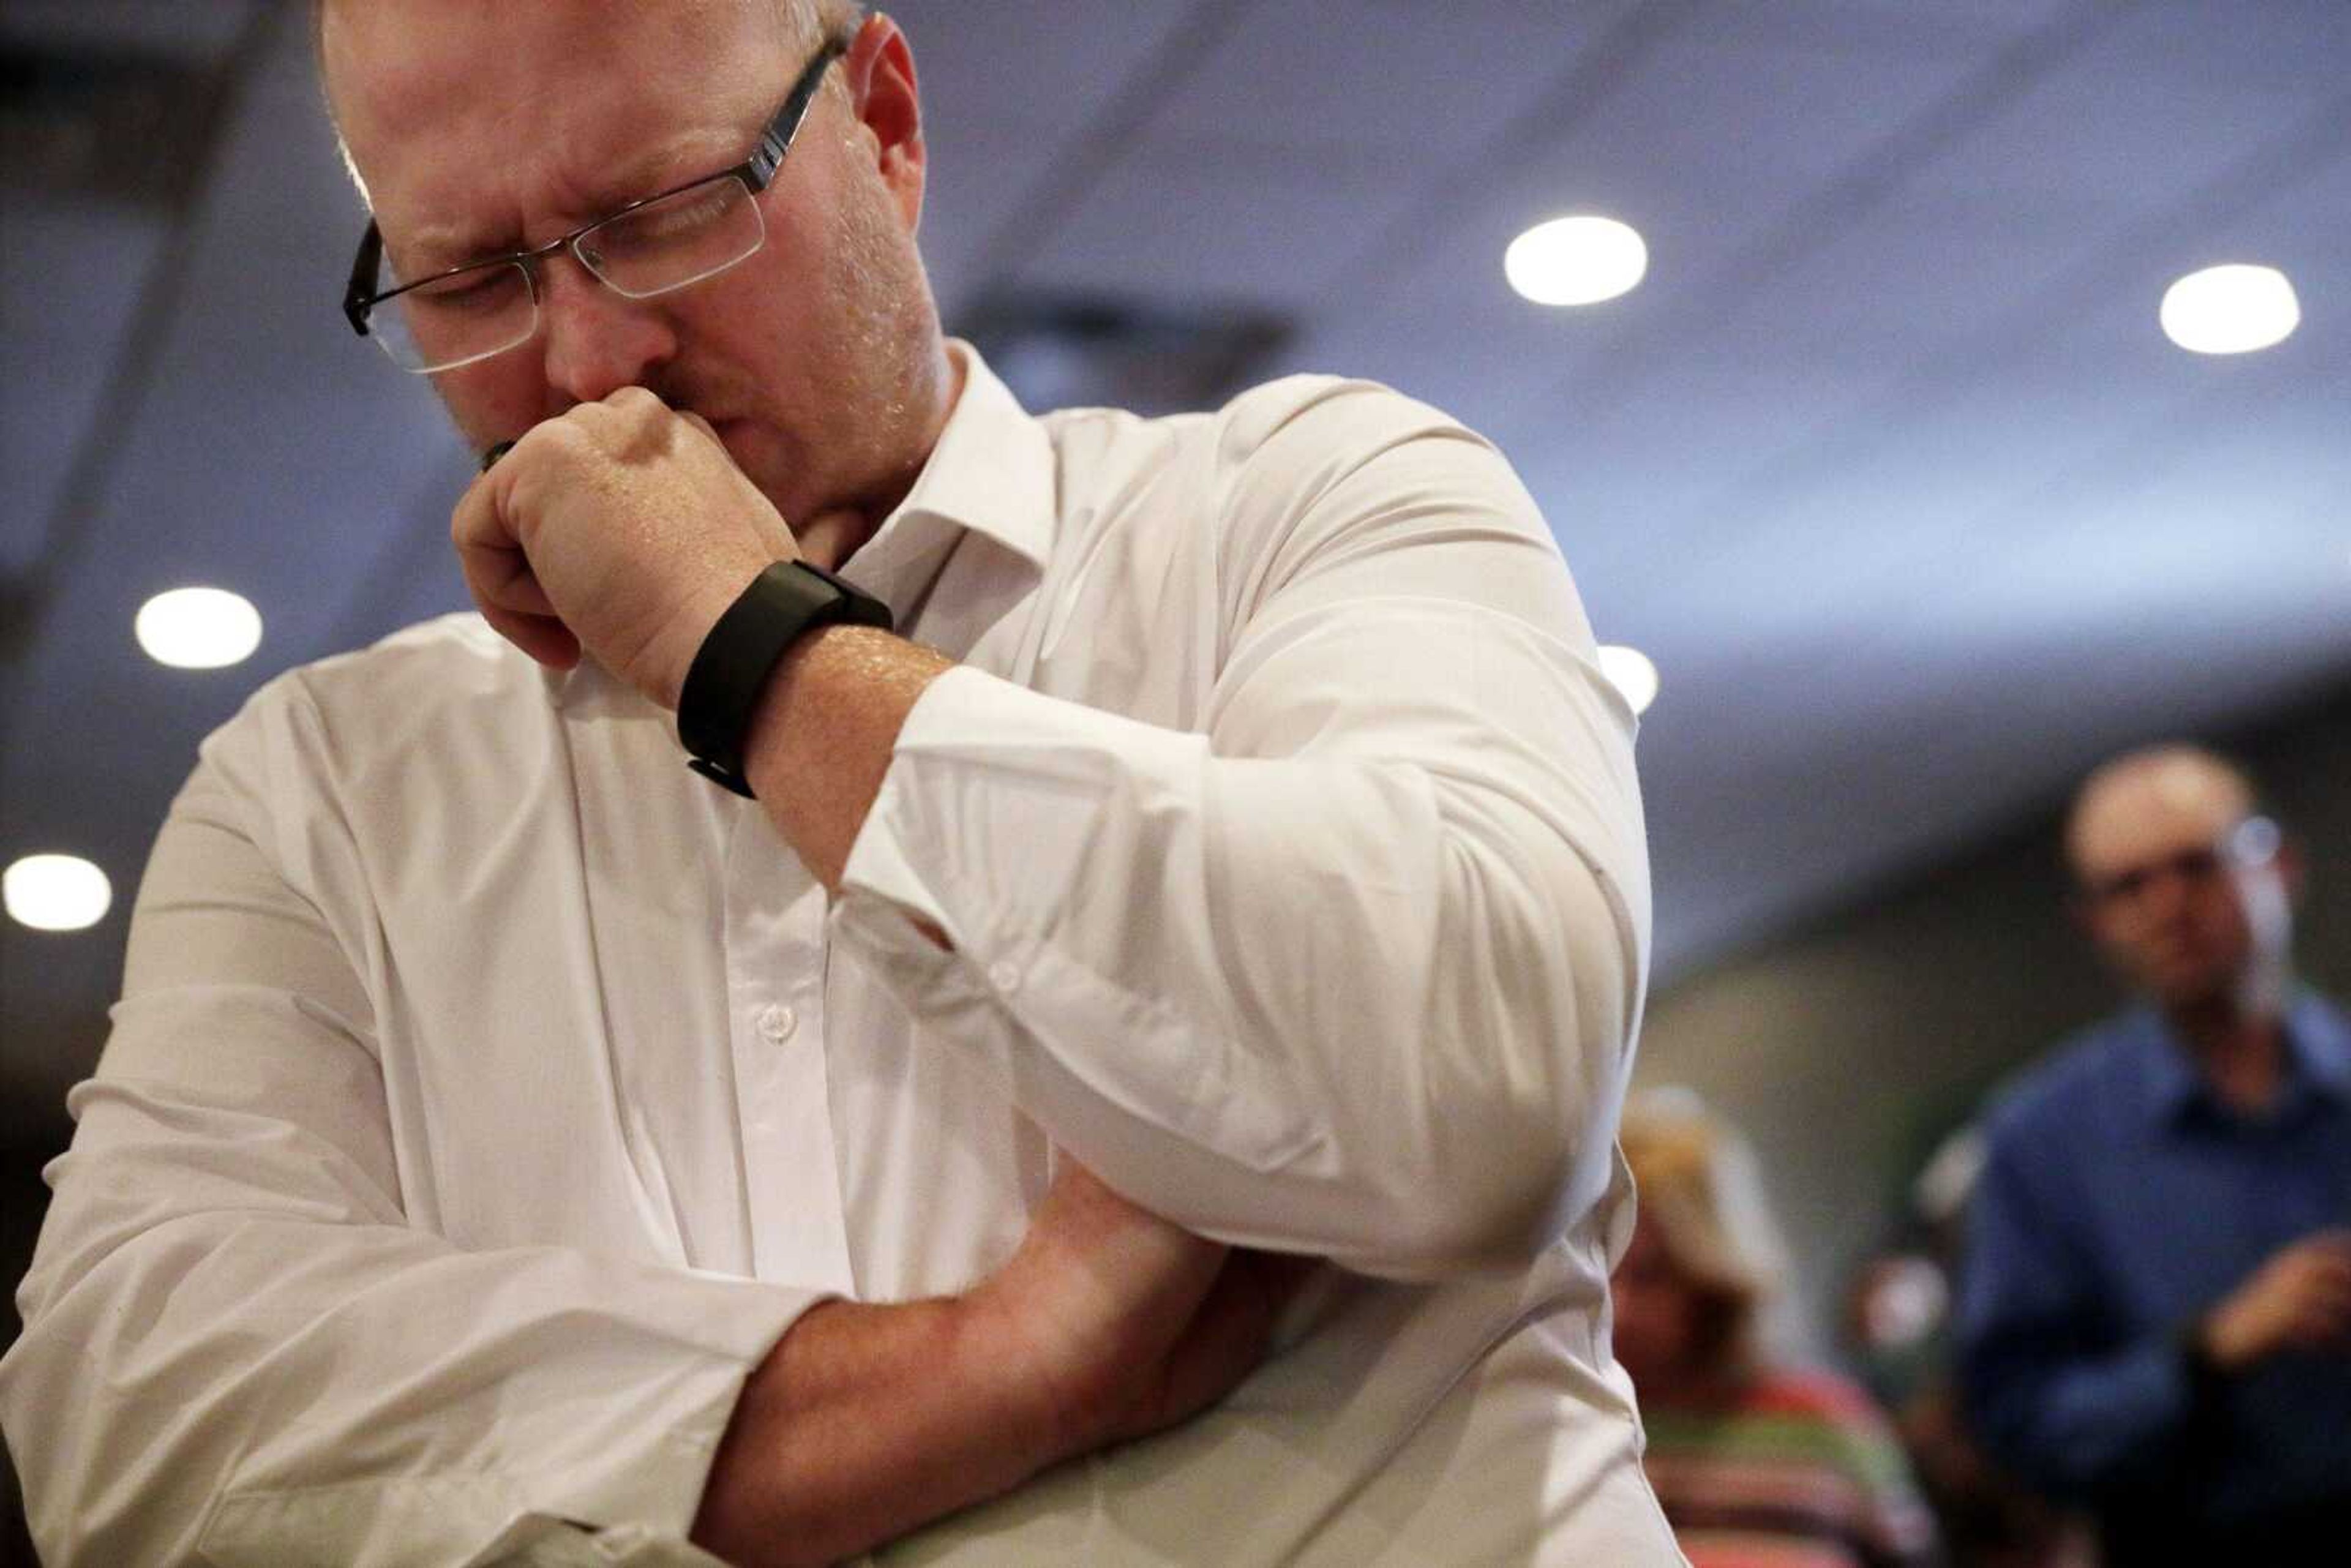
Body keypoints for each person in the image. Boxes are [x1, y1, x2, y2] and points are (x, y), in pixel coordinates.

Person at [0, 3, 1673, 1564]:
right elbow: (127, 1425)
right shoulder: (328, 792)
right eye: (472, 278)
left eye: (660, 210)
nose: (587, 364)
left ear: (880, 122)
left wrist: (750, 648)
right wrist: (997, 1372)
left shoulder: (1311, 506)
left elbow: (1484, 1085)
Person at [1958, 743, 2351, 1563]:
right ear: (2094, 921)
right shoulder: (2042, 1142)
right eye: (2128, 886)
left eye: (2198, 865)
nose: (2170, 906)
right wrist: (2208, 1352)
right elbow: (2024, 1430)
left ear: (2277, 867)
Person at [1613, 1090, 1938, 1568]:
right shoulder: (1568, 1433)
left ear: (1715, 1274)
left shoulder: (1826, 1427)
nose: (1619, 1307)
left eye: (1652, 1274)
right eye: (1602, 1272)